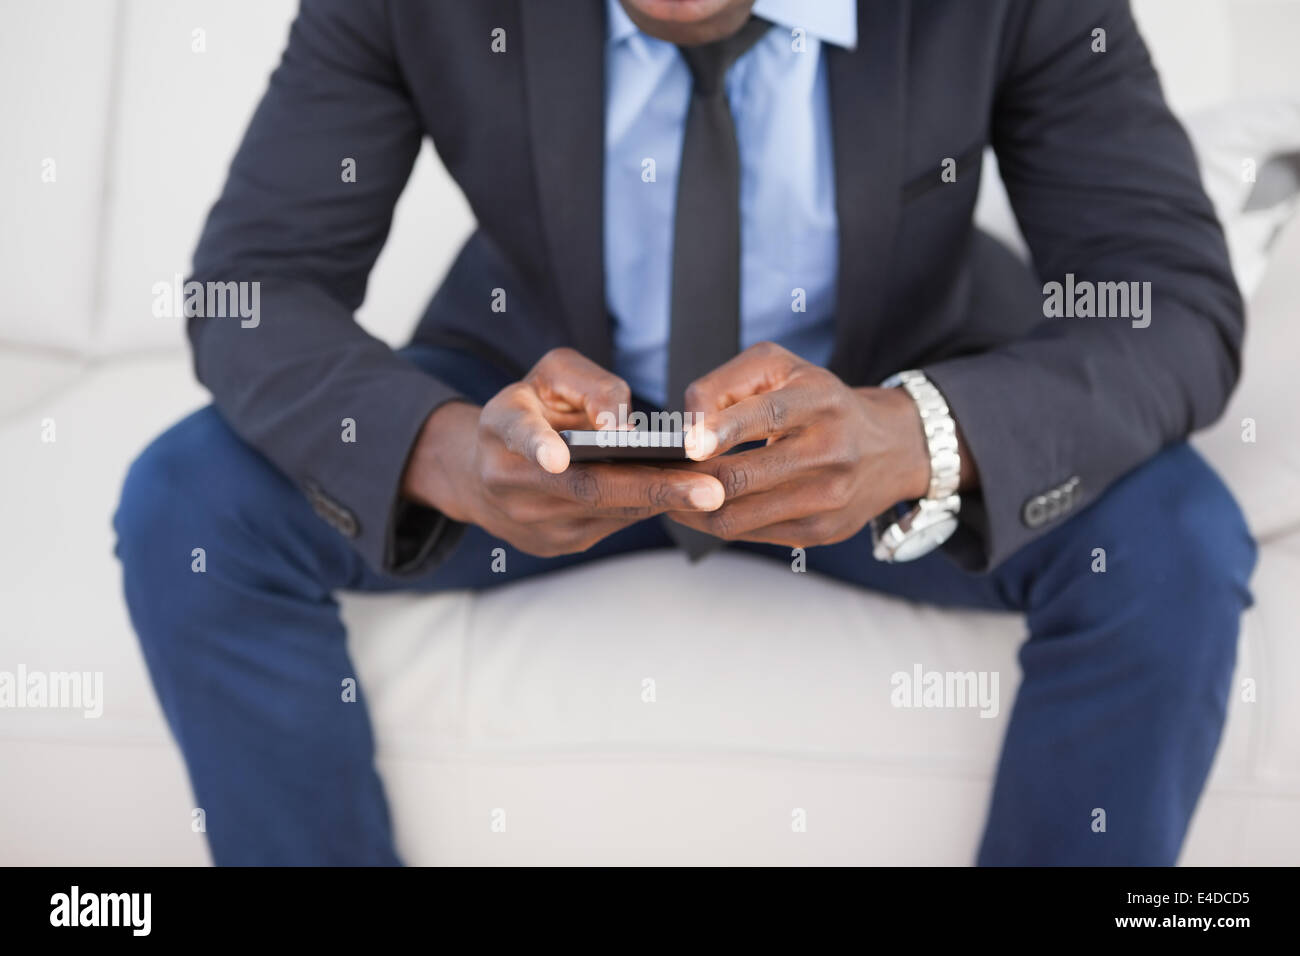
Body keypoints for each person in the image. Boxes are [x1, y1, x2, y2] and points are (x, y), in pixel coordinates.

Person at [114, 0, 1256, 865]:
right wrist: (448, 451)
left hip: (878, 426)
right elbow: (251, 288)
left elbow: (1169, 298)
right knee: (188, 498)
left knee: (1174, 539)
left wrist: (916, 437)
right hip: (542, 433)